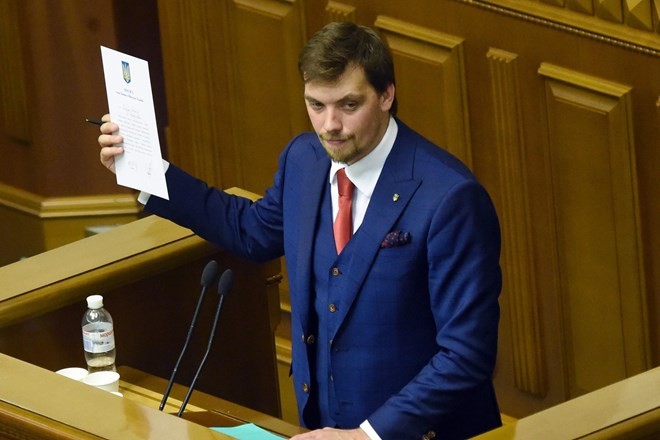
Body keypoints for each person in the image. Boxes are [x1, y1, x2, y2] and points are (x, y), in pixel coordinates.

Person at [98, 21, 502, 440]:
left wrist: (367, 436)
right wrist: (147, 173)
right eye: (316, 105)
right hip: (320, 426)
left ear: (387, 95)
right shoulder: (304, 160)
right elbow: (251, 230)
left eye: (348, 105)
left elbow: (465, 354)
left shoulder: (451, 198)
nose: (329, 125)